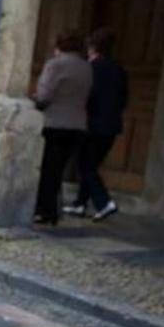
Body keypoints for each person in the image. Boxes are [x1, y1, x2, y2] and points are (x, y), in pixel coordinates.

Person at [65, 27, 127, 222]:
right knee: (90, 163)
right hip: (111, 126)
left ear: (92, 47)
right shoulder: (119, 70)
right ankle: (80, 203)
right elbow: (124, 99)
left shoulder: (90, 68)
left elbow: (85, 95)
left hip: (92, 123)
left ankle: (104, 202)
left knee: (85, 165)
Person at [32, 32, 93, 225]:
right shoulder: (86, 67)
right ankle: (53, 210)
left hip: (56, 122)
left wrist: (36, 100)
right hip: (78, 125)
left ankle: (45, 210)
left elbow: (44, 94)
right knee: (59, 170)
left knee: (49, 170)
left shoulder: (56, 64)